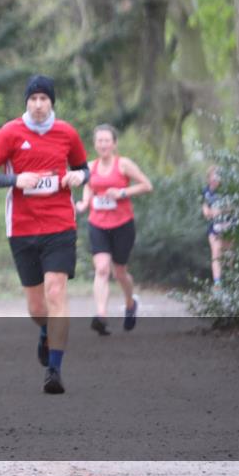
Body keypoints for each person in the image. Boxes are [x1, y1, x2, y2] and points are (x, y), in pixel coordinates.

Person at [0, 75, 89, 394]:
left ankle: (54, 370)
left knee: (56, 292)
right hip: (22, 227)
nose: (39, 105)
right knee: (37, 308)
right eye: (33, 99)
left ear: (52, 102)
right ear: (26, 102)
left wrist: (79, 177)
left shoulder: (67, 133)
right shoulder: (10, 132)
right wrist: (16, 180)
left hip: (60, 224)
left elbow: (84, 168)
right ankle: (45, 332)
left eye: (44, 99)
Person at [74, 125, 153, 335]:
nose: (103, 144)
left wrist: (122, 192)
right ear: (95, 144)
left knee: (120, 272)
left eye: (107, 141)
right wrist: (84, 203)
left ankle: (130, 304)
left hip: (122, 225)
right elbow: (89, 187)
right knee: (101, 269)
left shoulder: (123, 164)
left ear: (114, 144)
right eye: (99, 141)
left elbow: (147, 185)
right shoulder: (90, 166)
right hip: (97, 224)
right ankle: (101, 316)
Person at [202, 165, 231, 290]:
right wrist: (206, 211)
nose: (214, 181)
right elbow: (205, 205)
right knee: (216, 253)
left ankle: (231, 282)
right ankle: (217, 283)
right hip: (214, 227)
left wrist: (221, 211)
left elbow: (234, 206)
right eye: (212, 178)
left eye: (217, 178)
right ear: (208, 179)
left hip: (228, 226)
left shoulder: (227, 190)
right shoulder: (206, 191)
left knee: (229, 255)